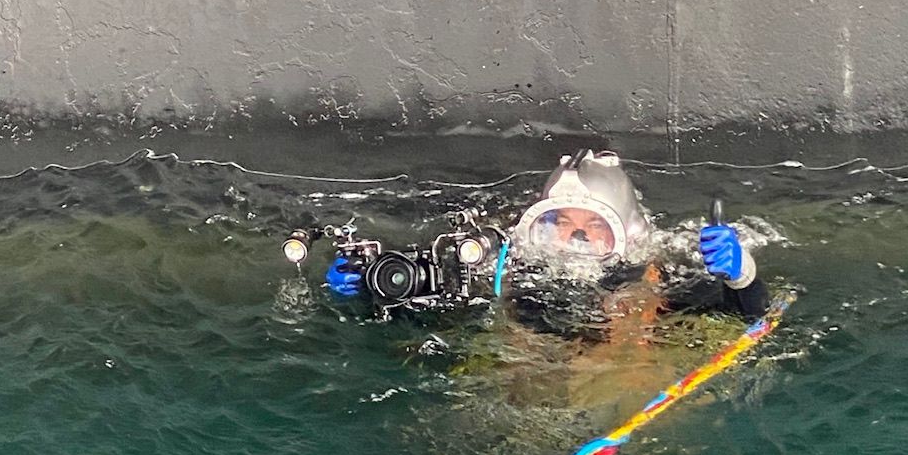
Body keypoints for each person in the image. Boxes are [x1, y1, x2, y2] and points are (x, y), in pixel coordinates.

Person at [323, 147, 771, 320]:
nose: (575, 240)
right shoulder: (509, 268)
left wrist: (740, 274)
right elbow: (427, 300)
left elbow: (744, 317)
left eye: (594, 227)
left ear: (628, 232)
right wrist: (367, 285)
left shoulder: (655, 271)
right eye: (563, 224)